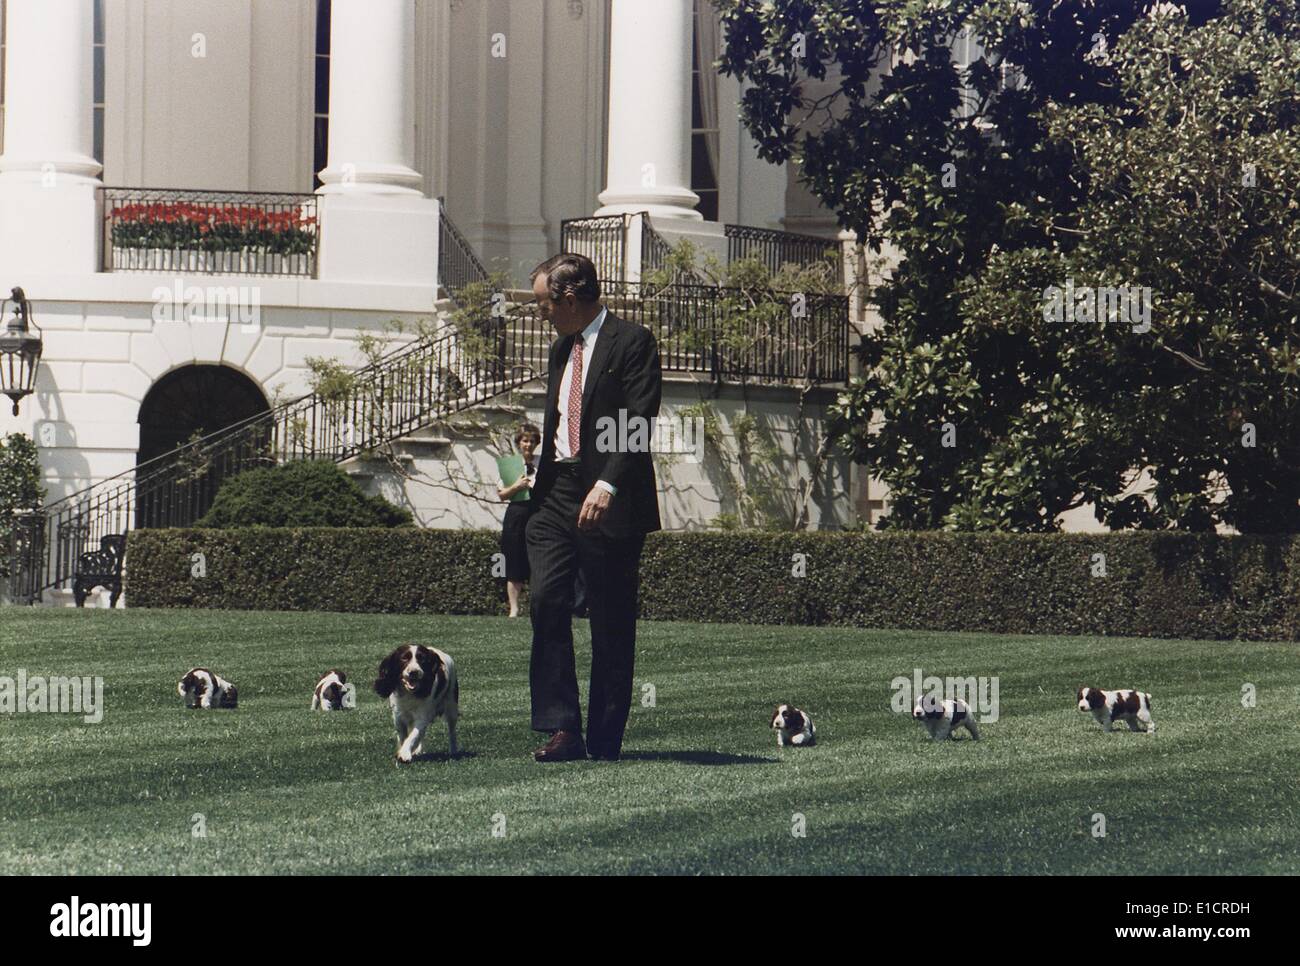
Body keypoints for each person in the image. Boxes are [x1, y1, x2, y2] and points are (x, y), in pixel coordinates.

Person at [525, 252, 662, 763]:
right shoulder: (562, 349)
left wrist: (607, 484)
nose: (541, 313)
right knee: (546, 600)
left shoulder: (633, 342)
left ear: (571, 297)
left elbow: (639, 420)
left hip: (610, 497)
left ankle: (604, 741)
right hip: (555, 495)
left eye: (544, 304)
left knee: (610, 618)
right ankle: (563, 728)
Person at [497, 423, 541, 618]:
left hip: (538, 514)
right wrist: (517, 486)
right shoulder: (510, 465)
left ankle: (537, 608)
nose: (528, 445)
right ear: (519, 443)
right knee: (514, 561)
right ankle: (514, 609)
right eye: (525, 440)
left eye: (532, 441)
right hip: (516, 515)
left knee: (538, 562)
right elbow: (502, 495)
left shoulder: (543, 462)